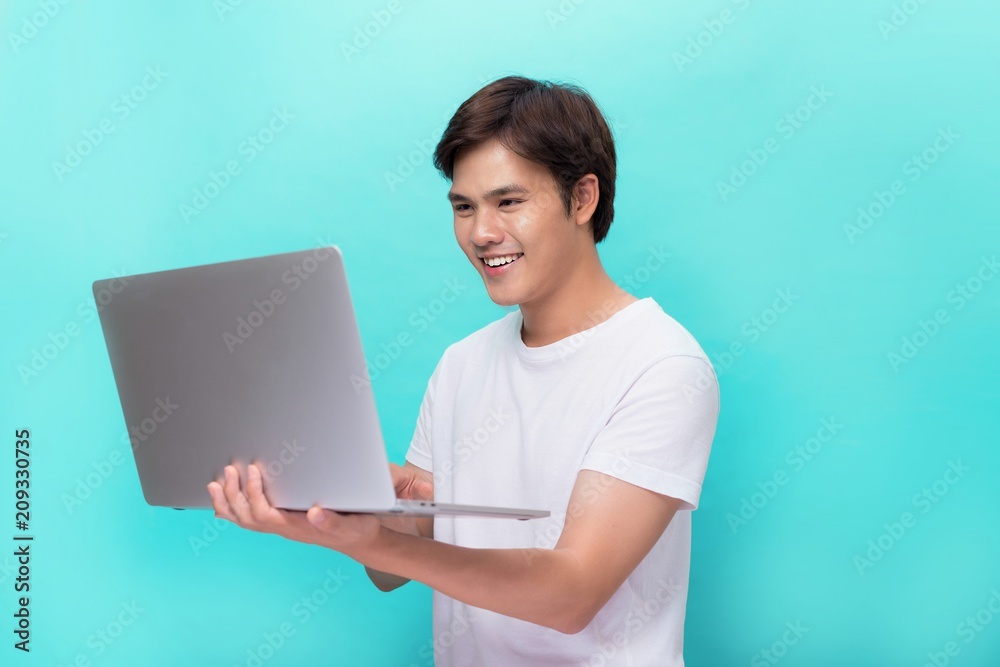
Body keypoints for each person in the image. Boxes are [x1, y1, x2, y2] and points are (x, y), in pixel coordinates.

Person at [207, 75, 720, 666]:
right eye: (463, 207)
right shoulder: (462, 364)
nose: (481, 233)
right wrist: (349, 510)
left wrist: (379, 540)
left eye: (509, 201)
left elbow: (571, 594)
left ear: (582, 198)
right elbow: (389, 570)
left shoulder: (663, 366)